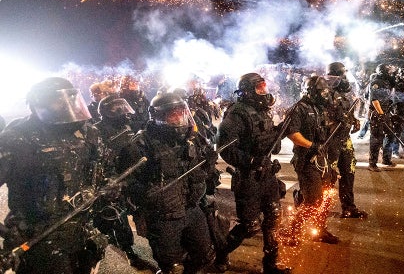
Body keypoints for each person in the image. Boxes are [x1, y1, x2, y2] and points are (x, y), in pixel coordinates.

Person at [0, 77, 107, 273]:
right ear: (39, 104)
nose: (67, 105)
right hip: (38, 239)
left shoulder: (88, 134)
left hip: (80, 233)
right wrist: (7, 232)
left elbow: (99, 173)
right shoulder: (17, 139)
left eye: (71, 99)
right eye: (58, 101)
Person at [118, 92, 219, 274]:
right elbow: (127, 182)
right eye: (174, 115)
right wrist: (146, 193)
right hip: (163, 216)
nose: (180, 119)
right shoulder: (141, 144)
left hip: (192, 208)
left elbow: (197, 173)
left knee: (205, 256)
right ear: (159, 117)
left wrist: (209, 165)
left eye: (182, 113)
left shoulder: (190, 140)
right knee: (169, 267)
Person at [215, 72, 289, 274]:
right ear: (247, 91)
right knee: (250, 226)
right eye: (259, 88)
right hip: (248, 177)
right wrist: (250, 160)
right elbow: (226, 148)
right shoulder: (237, 114)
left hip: (267, 174)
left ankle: (271, 265)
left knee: (273, 217)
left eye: (264, 87)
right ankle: (220, 253)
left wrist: (279, 132)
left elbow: (271, 144)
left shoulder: (262, 110)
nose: (264, 92)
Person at [92, 94, 154, 271]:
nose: (123, 112)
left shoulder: (127, 126)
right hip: (113, 184)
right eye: (116, 109)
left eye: (123, 107)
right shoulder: (98, 132)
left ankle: (129, 251)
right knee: (112, 221)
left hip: (132, 180)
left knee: (131, 220)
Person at [285, 75, 339, 245]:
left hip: (323, 159)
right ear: (311, 91)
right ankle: (292, 231)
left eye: (325, 91)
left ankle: (320, 231)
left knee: (326, 196)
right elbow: (292, 133)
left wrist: (342, 122)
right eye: (321, 90)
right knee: (314, 201)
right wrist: (311, 146)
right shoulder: (298, 109)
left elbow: (325, 128)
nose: (325, 94)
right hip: (306, 160)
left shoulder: (320, 108)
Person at [325, 62, 368, 219]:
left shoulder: (341, 92)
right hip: (330, 139)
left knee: (348, 172)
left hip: (344, 137)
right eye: (343, 74)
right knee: (327, 176)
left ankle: (348, 207)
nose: (345, 78)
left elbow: (343, 110)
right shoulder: (324, 91)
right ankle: (306, 201)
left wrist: (353, 119)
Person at [368, 63, 397, 171]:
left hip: (386, 112)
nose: (390, 73)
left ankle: (386, 159)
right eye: (388, 71)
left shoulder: (387, 81)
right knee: (377, 138)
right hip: (377, 113)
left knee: (391, 135)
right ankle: (372, 163)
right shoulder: (376, 82)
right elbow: (374, 100)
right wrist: (380, 113)